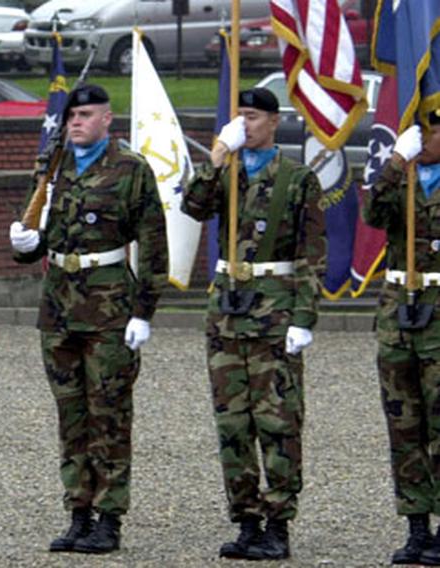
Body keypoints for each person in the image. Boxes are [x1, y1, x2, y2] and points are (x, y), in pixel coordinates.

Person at [9, 84, 169, 555]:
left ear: (106, 118)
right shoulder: (52, 165)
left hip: (109, 308)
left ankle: (109, 517)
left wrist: (144, 311)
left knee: (110, 414)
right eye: (71, 116)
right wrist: (28, 246)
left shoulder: (130, 169)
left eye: (84, 114)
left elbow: (154, 245)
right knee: (71, 415)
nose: (75, 122)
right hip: (59, 306)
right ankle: (78, 511)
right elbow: (40, 231)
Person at [181, 87, 326, 561]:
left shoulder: (298, 178)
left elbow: (311, 253)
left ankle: (279, 523)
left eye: (253, 117)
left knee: (278, 421)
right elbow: (194, 206)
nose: (246, 124)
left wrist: (305, 317)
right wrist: (219, 155)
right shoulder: (230, 172)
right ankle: (245, 519)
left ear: (274, 121)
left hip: (274, 311)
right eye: (239, 116)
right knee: (233, 423)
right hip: (227, 311)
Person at [363, 110, 440, 565]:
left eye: (432, 130)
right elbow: (373, 214)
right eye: (420, 130)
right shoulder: (403, 175)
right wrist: (395, 162)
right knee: (404, 422)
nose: (424, 138)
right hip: (399, 310)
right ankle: (416, 527)